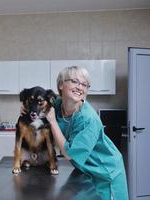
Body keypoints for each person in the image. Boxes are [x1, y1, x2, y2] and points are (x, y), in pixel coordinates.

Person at [45, 66, 129, 199]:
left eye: (85, 84)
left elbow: (68, 154)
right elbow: (38, 102)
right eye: (74, 81)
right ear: (61, 84)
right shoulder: (57, 104)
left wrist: (53, 122)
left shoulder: (87, 119)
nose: (80, 87)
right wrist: (25, 109)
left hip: (106, 172)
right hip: (86, 170)